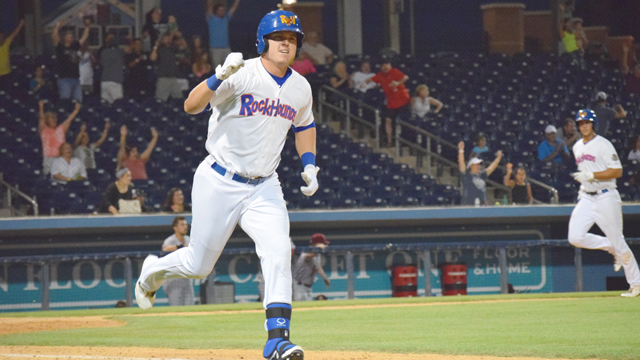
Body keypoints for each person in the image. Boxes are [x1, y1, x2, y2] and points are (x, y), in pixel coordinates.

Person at [135, 11, 316, 360]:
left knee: (279, 250)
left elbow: (305, 125)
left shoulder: (300, 87)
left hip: (265, 186)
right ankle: (152, 271)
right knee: (198, 266)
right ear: (263, 41)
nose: (285, 44)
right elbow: (190, 105)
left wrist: (310, 164)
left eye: (292, 39)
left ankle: (277, 339)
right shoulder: (241, 71)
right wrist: (217, 77)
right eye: (279, 37)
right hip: (219, 179)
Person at [568, 109, 640, 298]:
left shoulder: (603, 144)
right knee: (575, 237)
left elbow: (617, 171)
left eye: (587, 122)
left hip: (606, 196)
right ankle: (609, 246)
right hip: (586, 196)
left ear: (594, 124)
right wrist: (585, 182)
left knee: (620, 243)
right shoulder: (576, 147)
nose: (584, 126)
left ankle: (636, 284)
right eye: (581, 123)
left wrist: (592, 175)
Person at [365, 60, 410, 147]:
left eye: (386, 65)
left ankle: (404, 140)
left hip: (402, 101)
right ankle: (389, 141)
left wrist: (398, 83)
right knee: (387, 120)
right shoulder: (380, 75)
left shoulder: (395, 72)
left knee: (403, 121)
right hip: (391, 103)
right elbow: (372, 80)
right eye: (383, 65)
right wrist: (363, 83)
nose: (385, 67)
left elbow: (405, 77)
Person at [38, 100, 81, 175]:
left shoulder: (60, 129)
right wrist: (41, 108)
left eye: (55, 118)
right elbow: (41, 119)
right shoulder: (44, 130)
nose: (54, 119)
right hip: (49, 158)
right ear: (47, 119)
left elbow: (69, 120)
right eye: (52, 118)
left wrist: (76, 110)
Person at [52, 19, 90, 103]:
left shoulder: (75, 46)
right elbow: (54, 38)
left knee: (78, 101)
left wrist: (87, 27)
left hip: (76, 78)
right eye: (69, 37)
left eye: (72, 37)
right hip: (64, 78)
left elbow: (84, 37)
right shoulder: (60, 47)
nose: (71, 38)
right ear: (65, 38)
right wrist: (57, 27)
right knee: (65, 101)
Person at [161, 217, 195, 306]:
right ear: (175, 227)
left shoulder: (188, 239)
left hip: (186, 277)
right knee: (176, 307)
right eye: (182, 225)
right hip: (174, 278)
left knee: (189, 307)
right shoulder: (170, 240)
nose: (185, 227)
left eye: (185, 224)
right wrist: (180, 247)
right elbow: (165, 248)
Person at [458, 141, 503, 206]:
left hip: (482, 205)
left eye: (479, 165)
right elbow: (461, 163)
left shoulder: (482, 175)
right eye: (477, 164)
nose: (479, 166)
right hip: (468, 205)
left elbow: (490, 168)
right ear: (471, 166)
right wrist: (461, 151)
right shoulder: (466, 175)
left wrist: (498, 158)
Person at [292, 233, 331, 301]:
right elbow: (308, 257)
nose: (324, 245)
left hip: (307, 287)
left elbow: (318, 267)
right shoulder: (306, 252)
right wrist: (318, 248)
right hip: (299, 286)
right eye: (323, 243)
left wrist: (325, 278)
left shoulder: (317, 254)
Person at [206, 0, 241, 68]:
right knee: (217, 69)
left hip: (226, 48)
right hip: (215, 49)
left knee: (230, 68)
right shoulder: (211, 19)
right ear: (216, 11)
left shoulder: (225, 18)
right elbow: (209, 6)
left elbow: (234, 8)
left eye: (223, 10)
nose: (223, 12)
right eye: (221, 10)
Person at [151, 33, 183, 101]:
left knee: (179, 98)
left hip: (173, 77)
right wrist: (156, 46)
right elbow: (152, 58)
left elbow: (183, 47)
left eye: (169, 38)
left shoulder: (173, 47)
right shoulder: (160, 48)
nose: (167, 40)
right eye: (165, 38)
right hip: (163, 77)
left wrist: (180, 37)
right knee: (160, 99)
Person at [97, 32, 125, 103]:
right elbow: (129, 49)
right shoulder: (118, 51)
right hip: (114, 83)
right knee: (118, 104)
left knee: (106, 105)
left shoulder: (102, 51)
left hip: (104, 82)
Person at [0, 19, 24, 90]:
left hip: (7, 74)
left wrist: (20, 25)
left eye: (1, 37)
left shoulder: (6, 44)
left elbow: (14, 34)